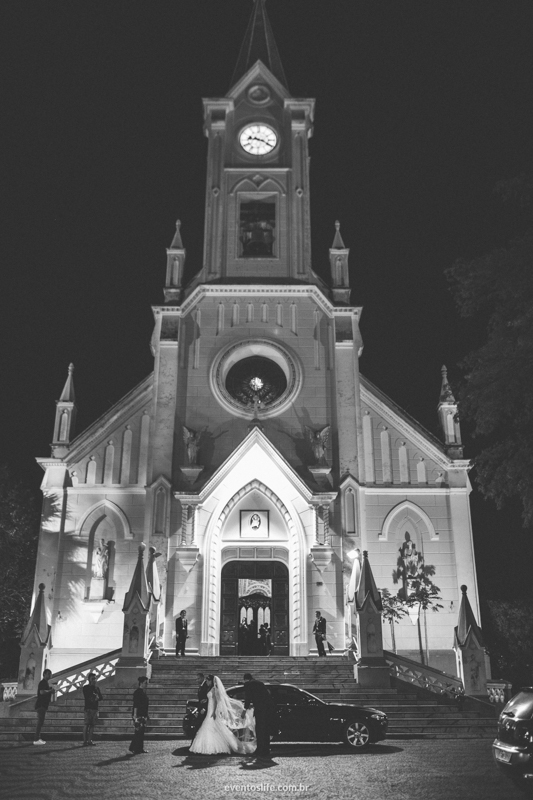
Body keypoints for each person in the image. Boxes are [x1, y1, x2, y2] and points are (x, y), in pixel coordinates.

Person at [189, 675, 255, 756]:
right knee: (212, 728)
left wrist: (213, 712)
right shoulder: (210, 689)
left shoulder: (214, 689)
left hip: (212, 710)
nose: (207, 682)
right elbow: (211, 699)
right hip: (209, 708)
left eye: (208, 681)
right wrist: (206, 701)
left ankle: (212, 746)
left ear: (211, 681)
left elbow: (216, 701)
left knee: (210, 727)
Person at [243, 672, 272, 763]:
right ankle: (266, 749)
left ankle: (260, 750)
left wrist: (244, 710)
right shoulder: (260, 683)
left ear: (246, 679)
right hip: (267, 709)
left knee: (259, 730)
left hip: (260, 710)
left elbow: (248, 697)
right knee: (265, 730)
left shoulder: (248, 684)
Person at [34, 668, 57, 745]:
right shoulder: (42, 682)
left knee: (41, 721)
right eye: (48, 674)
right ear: (44, 674)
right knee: (40, 721)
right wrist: (50, 691)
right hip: (41, 705)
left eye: (50, 674)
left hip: (43, 705)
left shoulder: (45, 683)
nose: (50, 675)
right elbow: (41, 692)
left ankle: (37, 738)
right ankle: (36, 738)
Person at [129, 676, 150, 755]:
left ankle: (139, 748)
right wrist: (135, 715)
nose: (146, 684)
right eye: (145, 683)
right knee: (138, 732)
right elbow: (136, 704)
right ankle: (134, 748)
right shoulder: (138, 692)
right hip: (138, 715)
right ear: (141, 683)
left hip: (142, 714)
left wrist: (146, 715)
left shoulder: (142, 692)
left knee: (141, 732)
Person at [82, 672, 103, 745]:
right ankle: (85, 741)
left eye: (95, 679)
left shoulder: (97, 688)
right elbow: (87, 696)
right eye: (92, 679)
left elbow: (101, 697)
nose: (94, 680)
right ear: (89, 679)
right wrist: (94, 696)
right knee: (86, 724)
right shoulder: (86, 687)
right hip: (88, 708)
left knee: (92, 725)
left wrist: (97, 697)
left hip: (95, 708)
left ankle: (89, 740)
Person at [192, 672, 209, 740]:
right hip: (201, 709)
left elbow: (208, 699)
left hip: (205, 710)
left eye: (198, 679)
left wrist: (204, 708)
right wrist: (197, 710)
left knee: (199, 726)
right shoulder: (201, 686)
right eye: (196, 679)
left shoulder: (206, 685)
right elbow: (200, 700)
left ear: (202, 678)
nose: (197, 680)